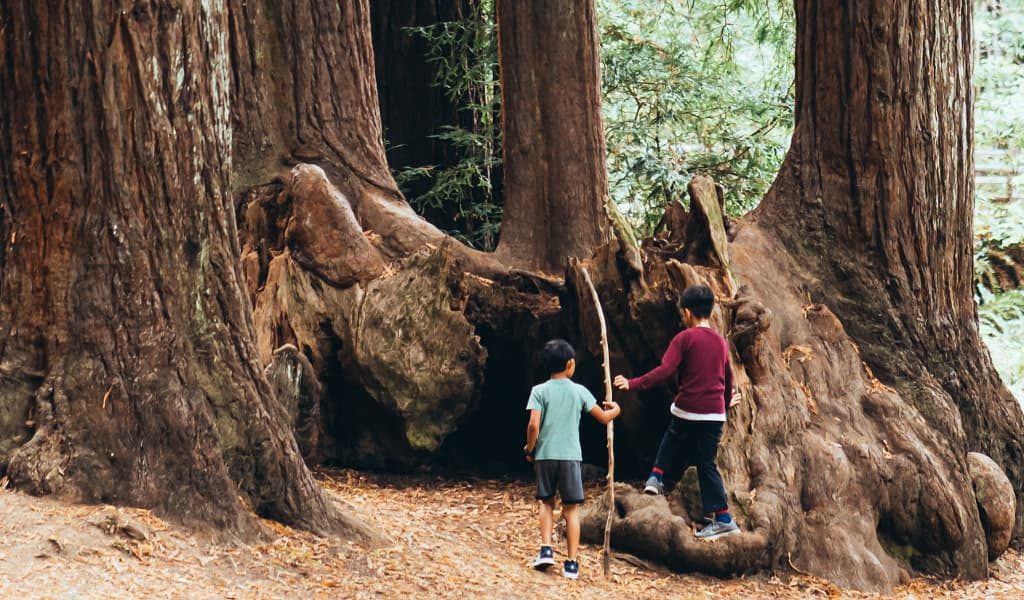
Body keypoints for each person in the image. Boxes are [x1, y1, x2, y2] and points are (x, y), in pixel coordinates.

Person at [612, 285, 741, 540]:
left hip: (688, 408)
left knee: (673, 435)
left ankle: (655, 477)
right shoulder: (720, 341)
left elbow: (665, 370)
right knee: (707, 464)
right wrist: (725, 403)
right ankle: (724, 518)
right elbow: (728, 377)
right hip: (714, 415)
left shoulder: (684, 338)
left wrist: (632, 383)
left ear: (687, 312)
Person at [525, 339, 621, 579]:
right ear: (570, 365)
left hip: (545, 456)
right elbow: (603, 417)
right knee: (571, 511)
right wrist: (617, 409)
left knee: (546, 503)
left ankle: (546, 549)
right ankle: (571, 563)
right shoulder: (579, 391)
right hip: (570, 457)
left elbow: (533, 424)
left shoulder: (539, 391)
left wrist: (530, 447)